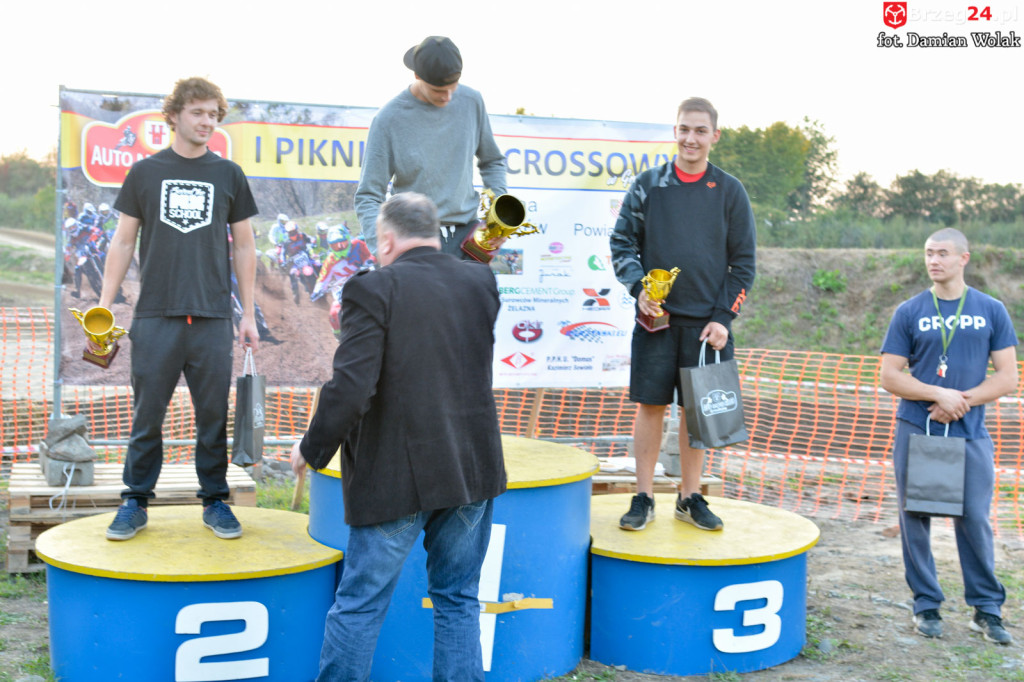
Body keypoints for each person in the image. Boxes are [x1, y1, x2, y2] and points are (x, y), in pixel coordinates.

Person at [290, 192, 506, 681]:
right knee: (458, 602)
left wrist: (311, 448)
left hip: (395, 477)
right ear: (433, 232)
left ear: (385, 239)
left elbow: (351, 386)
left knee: (360, 606)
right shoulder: (481, 280)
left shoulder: (372, 289)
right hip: (471, 470)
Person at [97, 77, 260, 541]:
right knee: (147, 415)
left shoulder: (228, 174)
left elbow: (245, 247)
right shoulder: (145, 172)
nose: (207, 121)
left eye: (214, 115)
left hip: (211, 317)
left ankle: (214, 501)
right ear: (174, 115)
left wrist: (247, 314)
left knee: (213, 416)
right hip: (155, 316)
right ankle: (134, 500)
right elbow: (124, 240)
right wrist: (104, 307)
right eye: (198, 113)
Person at [609, 97, 756, 533]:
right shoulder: (649, 185)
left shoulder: (729, 191)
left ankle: (690, 497)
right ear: (675, 132)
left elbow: (744, 263)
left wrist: (722, 319)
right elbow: (622, 244)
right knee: (650, 407)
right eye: (683, 129)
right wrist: (639, 290)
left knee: (698, 415)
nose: (690, 138)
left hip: (705, 328)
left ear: (714, 136)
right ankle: (644, 496)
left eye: (699, 131)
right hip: (657, 322)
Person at [880, 227, 1018, 644]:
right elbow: (889, 375)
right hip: (918, 429)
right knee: (916, 517)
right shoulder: (909, 310)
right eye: (928, 253)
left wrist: (962, 400)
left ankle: (987, 610)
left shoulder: (991, 310)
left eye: (942, 253)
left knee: (974, 518)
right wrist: (936, 393)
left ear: (964, 258)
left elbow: (1008, 378)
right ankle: (926, 605)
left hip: (970, 431)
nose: (933, 260)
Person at [354, 35, 507, 260]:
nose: (447, 97)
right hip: (411, 242)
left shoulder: (472, 100)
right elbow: (368, 195)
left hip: (468, 241)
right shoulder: (388, 119)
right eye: (438, 91)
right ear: (417, 76)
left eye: (452, 89)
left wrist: (497, 217)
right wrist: (383, 250)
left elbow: (492, 161)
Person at [310, 223, 374, 340]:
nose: (340, 247)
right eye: (335, 246)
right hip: (345, 288)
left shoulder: (358, 245)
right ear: (330, 246)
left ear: (348, 240)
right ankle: (340, 337)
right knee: (334, 313)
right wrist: (317, 291)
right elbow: (323, 277)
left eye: (342, 243)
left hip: (367, 279)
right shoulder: (330, 260)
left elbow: (371, 254)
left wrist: (370, 261)